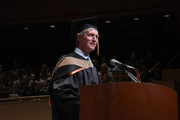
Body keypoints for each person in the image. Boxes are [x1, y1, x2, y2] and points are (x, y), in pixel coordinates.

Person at [49, 17, 102, 120]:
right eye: (91, 35)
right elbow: (62, 95)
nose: (95, 39)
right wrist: (89, 107)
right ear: (79, 38)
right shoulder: (68, 62)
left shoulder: (93, 67)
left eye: (96, 36)